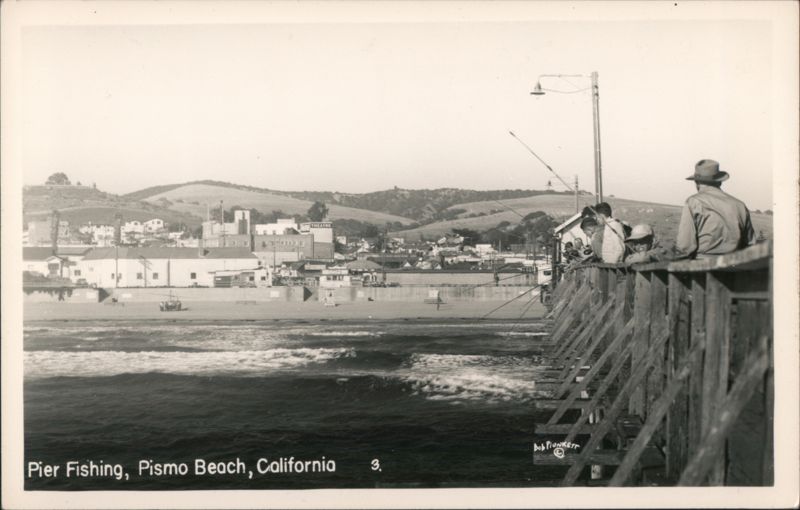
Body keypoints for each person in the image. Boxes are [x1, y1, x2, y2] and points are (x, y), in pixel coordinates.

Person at [676, 159, 755, 258]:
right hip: (734, 267)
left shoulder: (693, 202)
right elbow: (750, 243)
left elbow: (685, 247)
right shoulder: (740, 205)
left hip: (703, 267)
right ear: (720, 182)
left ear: (696, 182)